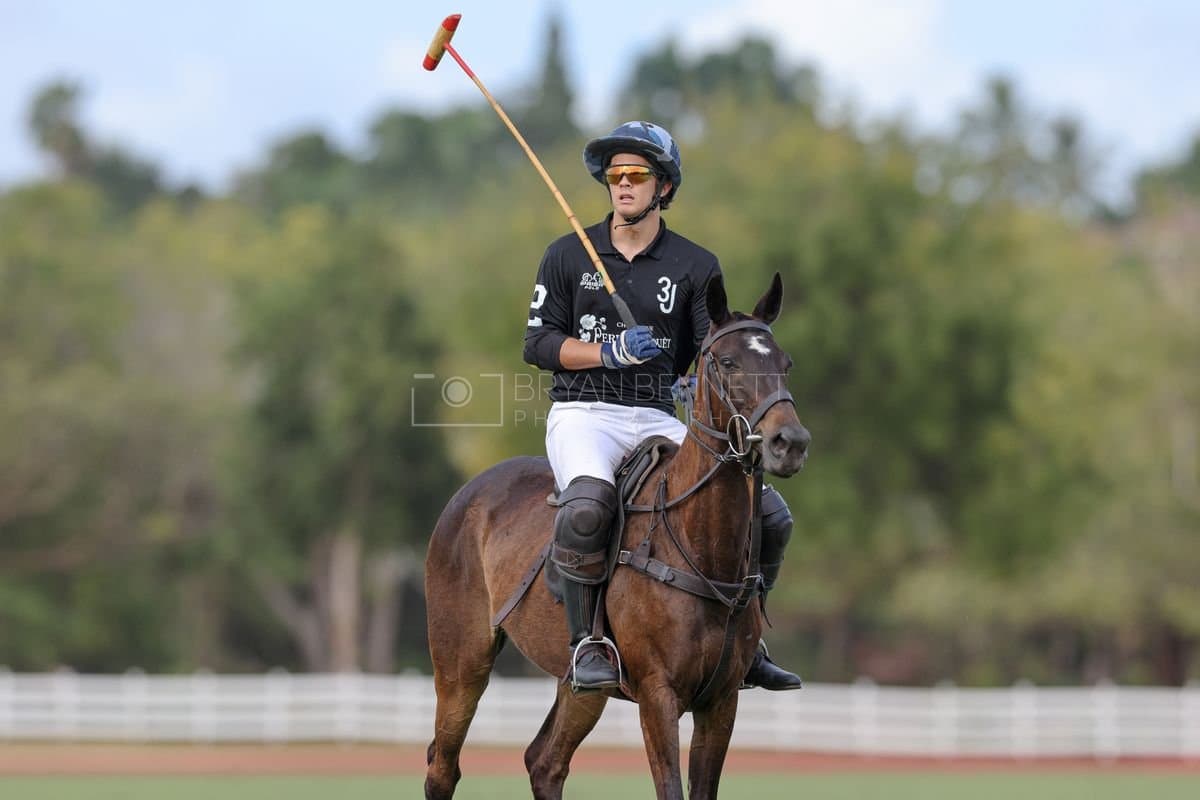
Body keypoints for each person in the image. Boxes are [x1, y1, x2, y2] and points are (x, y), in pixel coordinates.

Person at [522, 121, 801, 692]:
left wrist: (688, 380)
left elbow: (711, 347)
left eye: (636, 175)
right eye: (614, 175)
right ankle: (586, 645)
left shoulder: (696, 265)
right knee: (587, 509)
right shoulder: (568, 254)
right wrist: (610, 350)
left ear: (664, 187)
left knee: (770, 515)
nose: (622, 185)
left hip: (655, 415)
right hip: (585, 413)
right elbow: (539, 345)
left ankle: (749, 637)